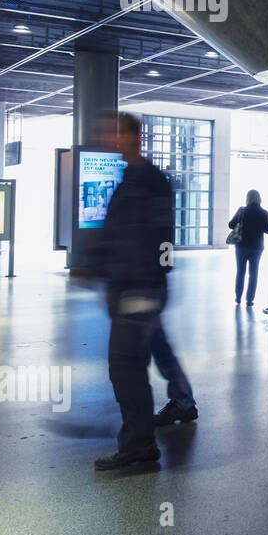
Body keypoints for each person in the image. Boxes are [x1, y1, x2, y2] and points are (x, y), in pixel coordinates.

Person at [92, 112, 186, 470]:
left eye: (114, 134)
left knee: (125, 366)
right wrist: (103, 272)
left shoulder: (149, 181)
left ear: (133, 137)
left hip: (140, 290)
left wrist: (141, 288)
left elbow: (157, 240)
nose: (109, 140)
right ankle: (141, 438)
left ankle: (139, 444)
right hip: (131, 290)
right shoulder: (130, 179)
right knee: (133, 363)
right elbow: (118, 236)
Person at [228, 190, 268, 306]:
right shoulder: (264, 213)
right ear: (259, 198)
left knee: (240, 272)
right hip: (257, 247)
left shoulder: (242, 211)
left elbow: (231, 225)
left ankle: (238, 297)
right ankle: (250, 299)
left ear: (247, 198)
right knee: (253, 273)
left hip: (242, 245)